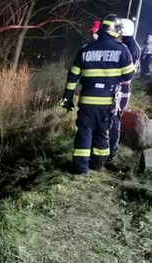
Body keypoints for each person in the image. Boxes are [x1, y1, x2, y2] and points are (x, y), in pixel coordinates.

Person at [60, 14, 135, 174]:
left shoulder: (85, 50)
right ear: (116, 31)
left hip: (87, 101)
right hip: (107, 103)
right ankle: (96, 165)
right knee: (102, 133)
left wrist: (67, 97)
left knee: (84, 132)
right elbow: (128, 76)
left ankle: (81, 169)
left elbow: (73, 75)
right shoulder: (122, 50)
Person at [107, 18, 141, 163]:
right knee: (114, 118)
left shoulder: (129, 48)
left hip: (121, 88)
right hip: (122, 88)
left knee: (115, 118)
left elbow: (126, 75)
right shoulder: (130, 45)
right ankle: (110, 149)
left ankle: (111, 151)